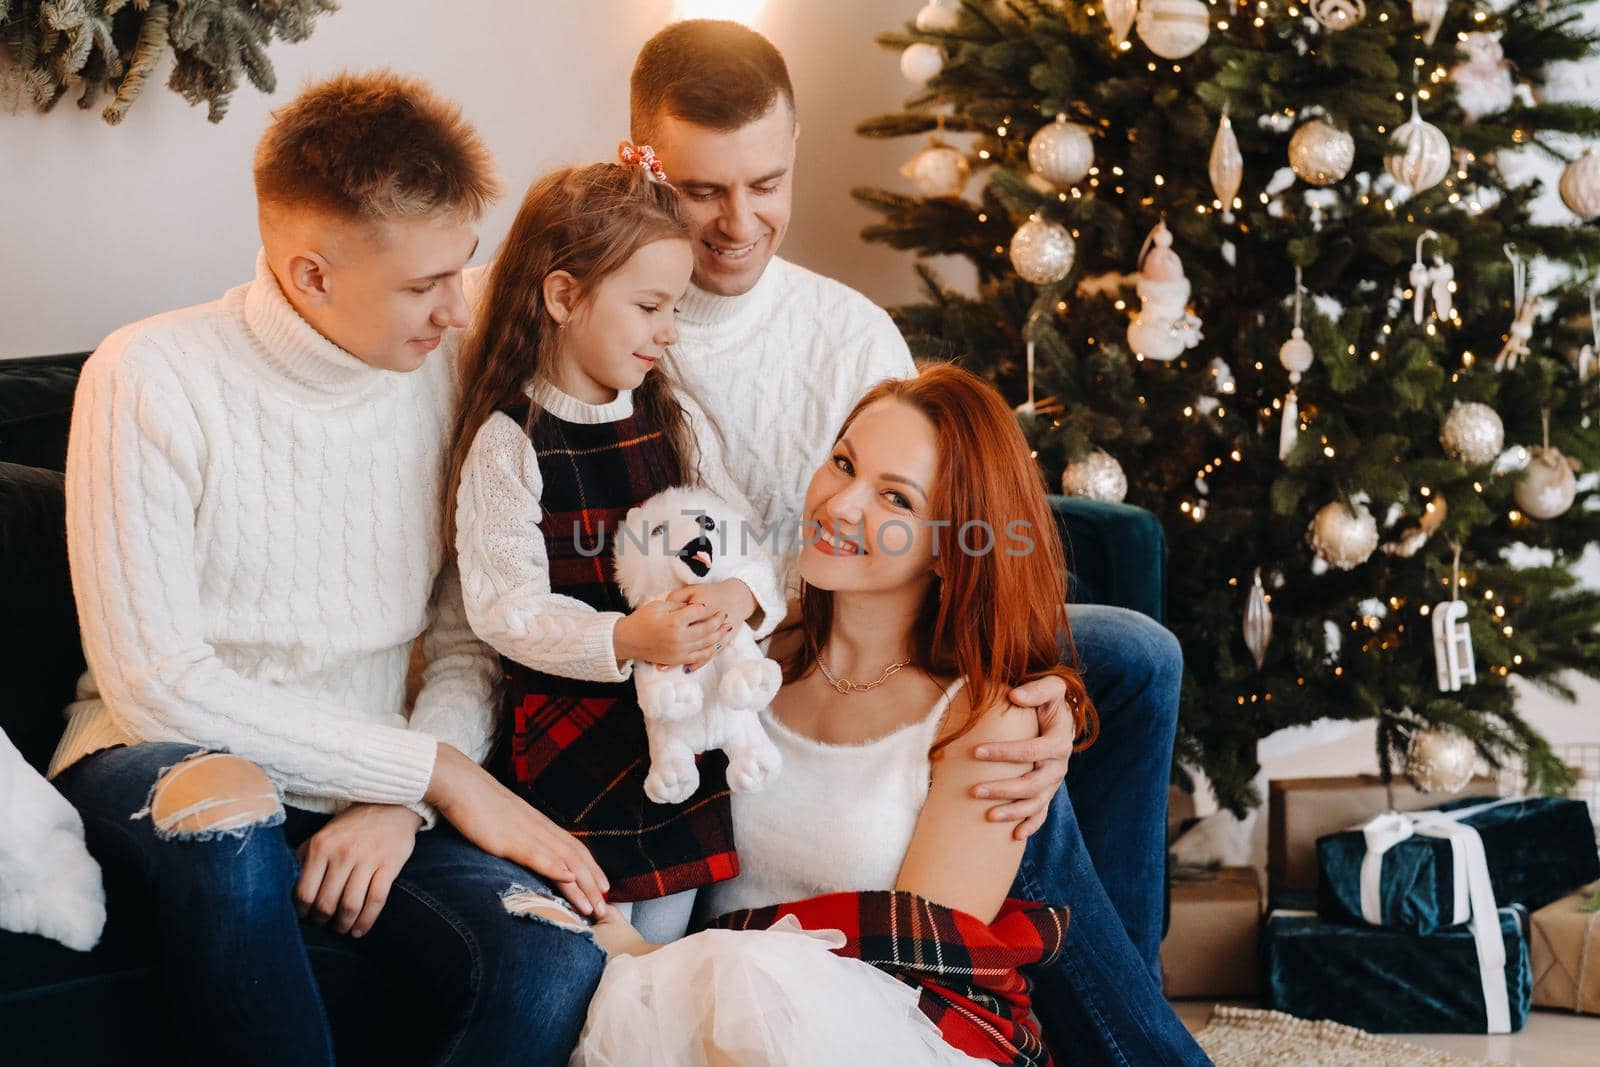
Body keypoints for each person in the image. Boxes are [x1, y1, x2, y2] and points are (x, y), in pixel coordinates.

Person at [627, 20, 1208, 1064]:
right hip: (728, 634)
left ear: (793, 149)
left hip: (850, 611)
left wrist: (1014, 689)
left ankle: (1119, 978)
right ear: (640, 165)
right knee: (1063, 709)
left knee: (1122, 658)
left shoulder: (846, 333)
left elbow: (924, 489)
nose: (737, 222)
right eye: (701, 190)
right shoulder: (605, 317)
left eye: (763, 183)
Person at [47, 72, 607, 1067]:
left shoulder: (451, 361)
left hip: (381, 772)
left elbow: (465, 626)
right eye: (422, 284)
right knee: (230, 813)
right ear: (310, 274)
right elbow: (156, 680)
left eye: (461, 269)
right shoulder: (147, 376)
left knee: (551, 958)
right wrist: (436, 773)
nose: (455, 307)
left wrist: (401, 796)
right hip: (168, 756)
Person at [572, 365, 1092, 1066]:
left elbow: (927, 962)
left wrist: (685, 965)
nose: (841, 504)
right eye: (843, 463)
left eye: (895, 499)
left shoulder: (982, 719)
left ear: (951, 547)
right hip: (700, 1024)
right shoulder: (743, 648)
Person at [444, 155, 786, 944]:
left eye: (676, 305)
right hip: (573, 753)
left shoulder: (675, 422)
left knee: (666, 948)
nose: (670, 329)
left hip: (680, 751)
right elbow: (505, 608)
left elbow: (750, 554)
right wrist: (626, 638)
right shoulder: (509, 443)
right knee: (599, 950)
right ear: (564, 295)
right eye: (650, 305)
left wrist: (739, 599)